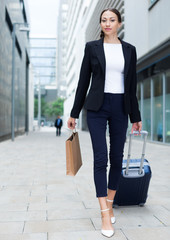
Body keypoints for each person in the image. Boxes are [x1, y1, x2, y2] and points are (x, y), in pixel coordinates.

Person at [67, 8, 142, 238]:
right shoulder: (92, 48)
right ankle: (103, 213)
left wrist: (135, 116)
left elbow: (131, 85)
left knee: (116, 158)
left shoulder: (129, 50)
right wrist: (74, 112)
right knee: (101, 158)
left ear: (119, 23)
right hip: (97, 107)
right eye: (103, 20)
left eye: (112, 20)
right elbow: (83, 82)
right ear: (100, 24)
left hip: (121, 107)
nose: (107, 23)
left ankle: (109, 203)